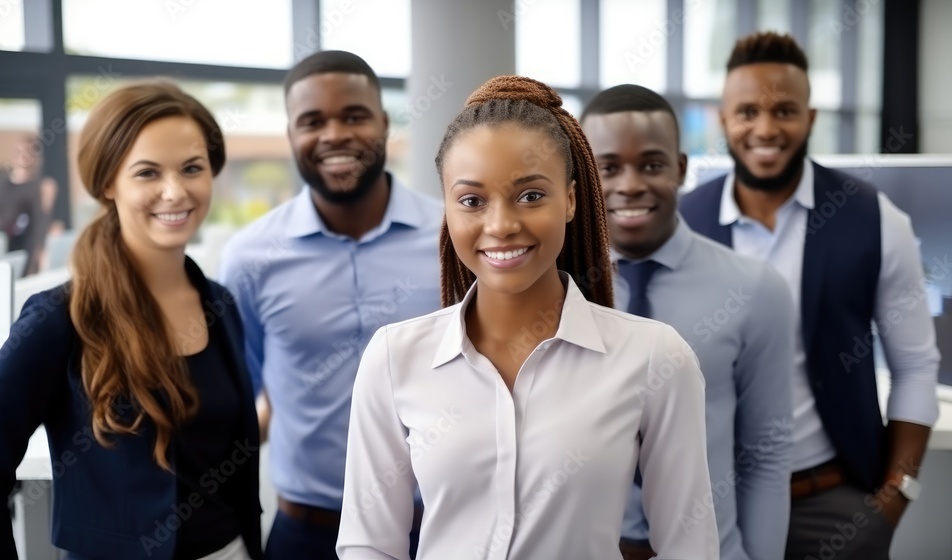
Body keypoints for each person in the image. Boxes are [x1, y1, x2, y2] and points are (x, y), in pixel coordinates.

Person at [336, 76, 719, 559]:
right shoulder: (394, 357)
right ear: (447, 209)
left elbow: (690, 546)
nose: (501, 226)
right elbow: (369, 544)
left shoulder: (654, 357)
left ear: (573, 200)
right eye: (472, 201)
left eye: (531, 195)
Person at [0, 81, 263, 560]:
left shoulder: (219, 304)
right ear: (107, 183)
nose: (175, 190)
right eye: (147, 172)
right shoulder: (60, 319)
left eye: (192, 168)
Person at [680, 31, 941, 560]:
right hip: (710, 505)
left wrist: (895, 496)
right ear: (724, 118)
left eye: (784, 110)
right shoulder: (682, 225)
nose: (765, 128)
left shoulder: (875, 219)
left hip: (832, 504)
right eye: (747, 110)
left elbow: (915, 365)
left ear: (811, 118)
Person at [218, 51, 442, 559]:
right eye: (313, 121)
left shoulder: (454, 238)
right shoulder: (250, 258)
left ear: (384, 124)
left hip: (441, 528)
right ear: (291, 135)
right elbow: (242, 393)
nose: (335, 134)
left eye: (354, 116)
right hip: (307, 533)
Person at [581, 84, 795, 560]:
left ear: (680, 168)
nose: (631, 184)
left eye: (652, 165)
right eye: (609, 167)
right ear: (582, 176)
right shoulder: (552, 290)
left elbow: (766, 451)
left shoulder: (756, 289)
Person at [0, 134, 58, 276]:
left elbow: (41, 222)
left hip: (23, 249)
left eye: (28, 151)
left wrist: (40, 252)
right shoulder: (2, 186)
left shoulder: (42, 186)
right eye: (18, 151)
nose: (22, 156)